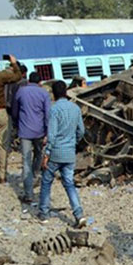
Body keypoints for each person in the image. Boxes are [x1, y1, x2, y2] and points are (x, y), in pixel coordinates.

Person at [39, 81, 86, 227]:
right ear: (66, 91)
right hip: (69, 153)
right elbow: (81, 131)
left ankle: (44, 213)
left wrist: (47, 153)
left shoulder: (54, 110)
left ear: (53, 93)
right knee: (69, 184)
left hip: (56, 153)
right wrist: (73, 142)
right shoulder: (75, 108)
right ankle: (79, 214)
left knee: (46, 182)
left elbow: (51, 135)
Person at [11, 72, 51, 203]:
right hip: (39, 131)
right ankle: (35, 174)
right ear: (40, 82)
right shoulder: (44, 93)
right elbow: (47, 115)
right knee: (39, 154)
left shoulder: (21, 92)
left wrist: (17, 125)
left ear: (28, 80)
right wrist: (47, 131)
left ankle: (28, 193)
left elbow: (15, 111)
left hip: (24, 132)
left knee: (25, 160)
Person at [0, 52, 22, 183]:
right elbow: (18, 76)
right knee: (2, 143)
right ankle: (2, 176)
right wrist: (14, 63)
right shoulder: (0, 75)